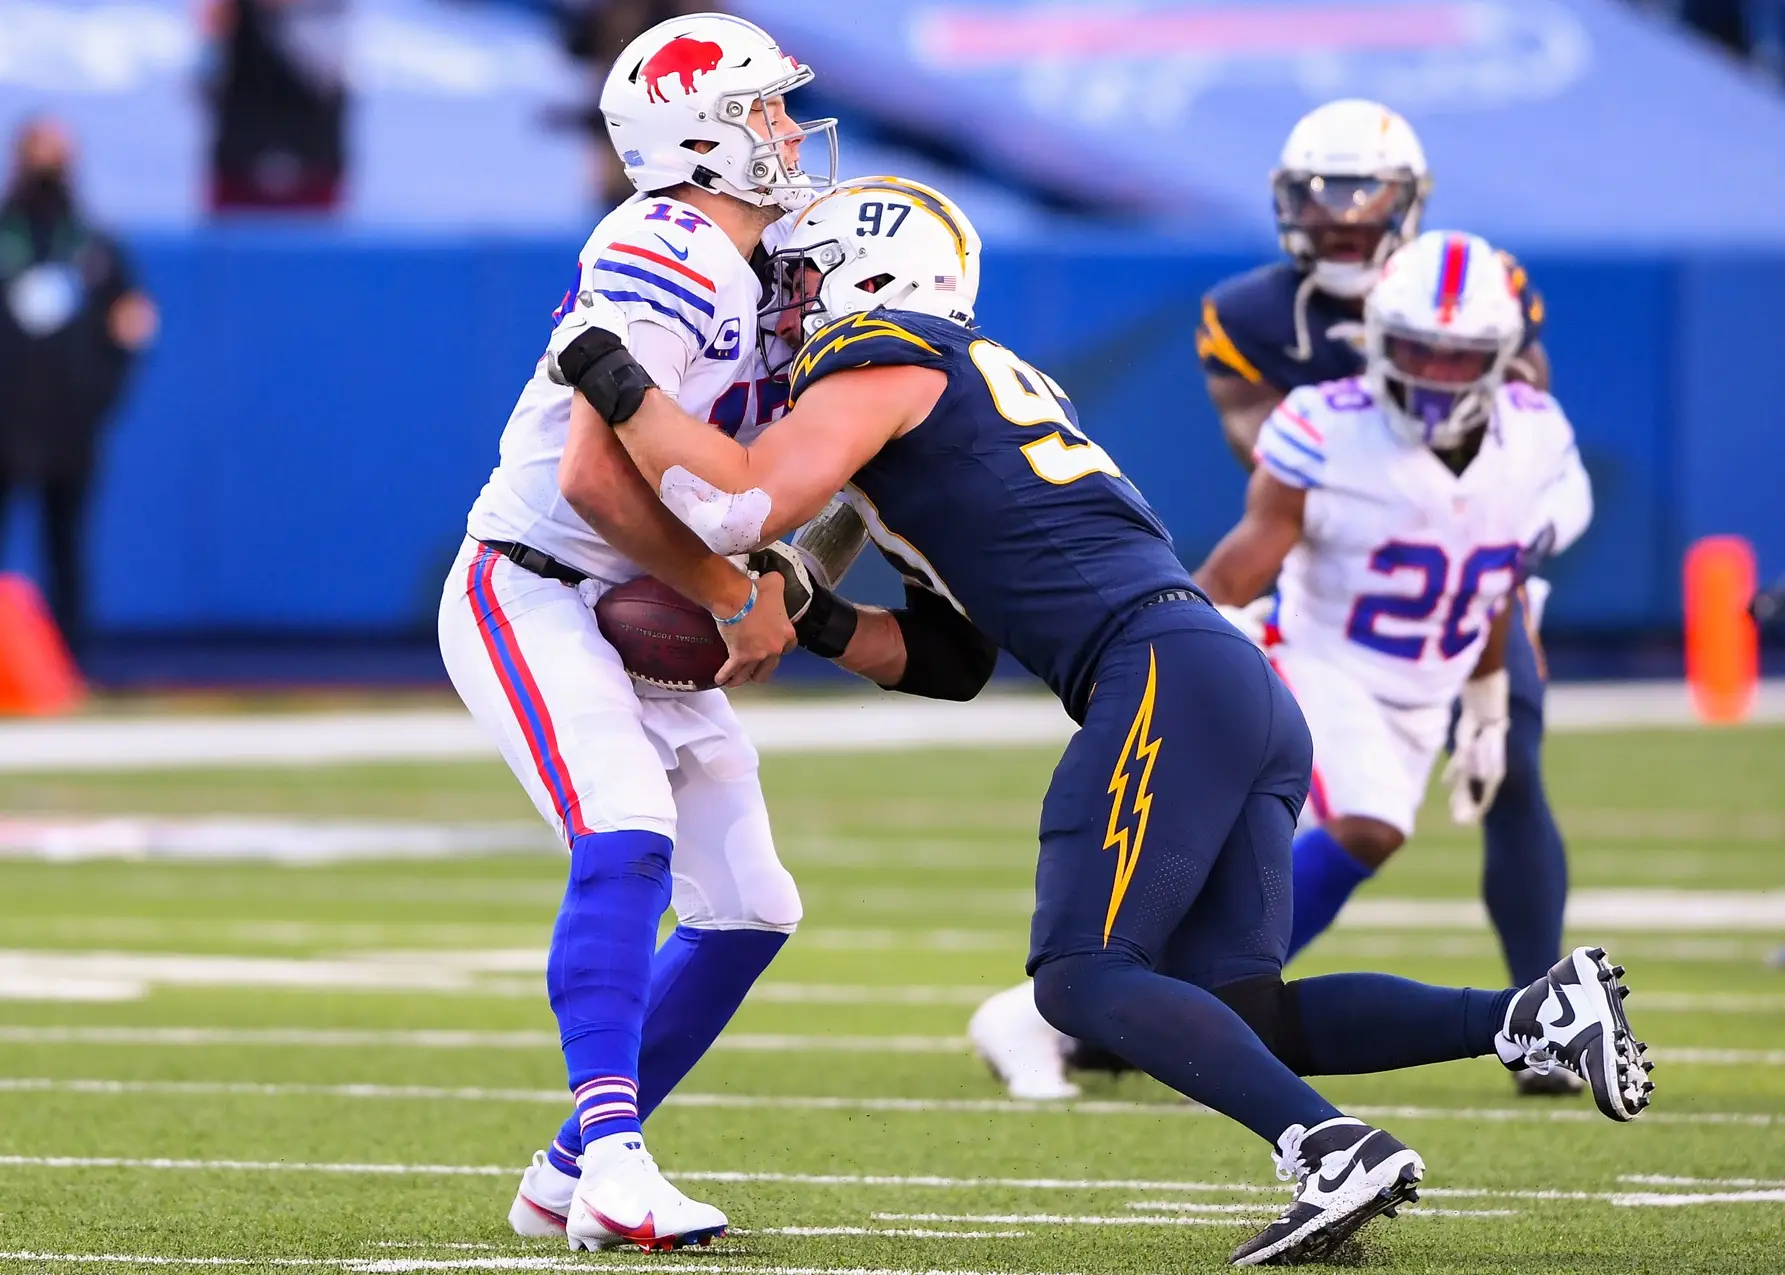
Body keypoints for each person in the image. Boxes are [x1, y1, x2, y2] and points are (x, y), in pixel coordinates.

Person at [555, 175, 1654, 1266]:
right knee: (1245, 1010)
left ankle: (1327, 1148)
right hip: (1227, 679)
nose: (780, 308)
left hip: (1161, 672)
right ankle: (1530, 1016)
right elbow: (950, 660)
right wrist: (822, 617)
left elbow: (750, 493)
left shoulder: (888, 347)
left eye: (795, 279)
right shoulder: (969, 388)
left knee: (1081, 976)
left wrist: (614, 372)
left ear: (863, 276)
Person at [969, 97, 1586, 1100]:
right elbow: (1280, 483)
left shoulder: (1487, 308)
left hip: (1452, 584)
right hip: (1336, 590)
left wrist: (1490, 658)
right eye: (1323, 200)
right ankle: (1131, 1004)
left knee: (1504, 758)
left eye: (1364, 199)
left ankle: (1535, 1012)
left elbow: (1508, 450)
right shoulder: (1266, 333)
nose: (1343, 218)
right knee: (1333, 822)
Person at [434, 11, 835, 1252]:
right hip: (539, 580)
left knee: (752, 906)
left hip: (629, 593)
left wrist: (773, 576)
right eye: (762, 109)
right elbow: (605, 484)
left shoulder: (767, 261)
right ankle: (613, 1161)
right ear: (699, 135)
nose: (785, 130)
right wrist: (727, 594)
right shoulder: (670, 244)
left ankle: (562, 1174)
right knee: (626, 826)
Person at [0, 117, 157, 656]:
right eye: (38, 151)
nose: (47, 165)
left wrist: (100, 398)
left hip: (70, 421)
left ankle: (70, 662)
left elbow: (132, 322)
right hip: (5, 417)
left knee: (66, 547)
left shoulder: (93, 241)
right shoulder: (5, 231)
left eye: (57, 153)